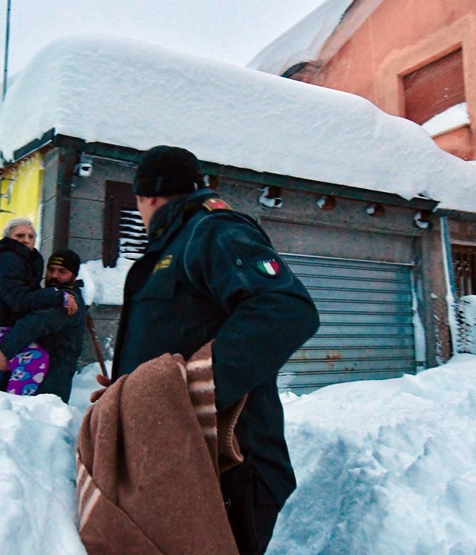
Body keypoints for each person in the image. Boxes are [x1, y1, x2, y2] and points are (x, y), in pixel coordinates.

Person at [94, 145, 319, 554]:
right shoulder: (170, 247)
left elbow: (287, 309)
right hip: (176, 460)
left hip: (228, 467)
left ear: (146, 197)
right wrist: (128, 392)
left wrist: (189, 388)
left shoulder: (213, 230)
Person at [0, 218, 79, 395]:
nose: (26, 239)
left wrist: (2, 353)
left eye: (30, 236)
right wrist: (3, 352)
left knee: (27, 358)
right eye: (20, 235)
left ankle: (0, 399)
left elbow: (31, 316)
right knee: (34, 358)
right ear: (8, 238)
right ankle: (15, 405)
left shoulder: (70, 299)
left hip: (50, 381)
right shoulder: (7, 259)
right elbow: (20, 300)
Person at [0, 249, 86, 403]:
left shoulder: (69, 301)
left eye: (62, 271)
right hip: (26, 380)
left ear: (74, 277)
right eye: (51, 270)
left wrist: (3, 352)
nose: (54, 276)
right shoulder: (49, 296)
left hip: (47, 387)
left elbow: (34, 323)